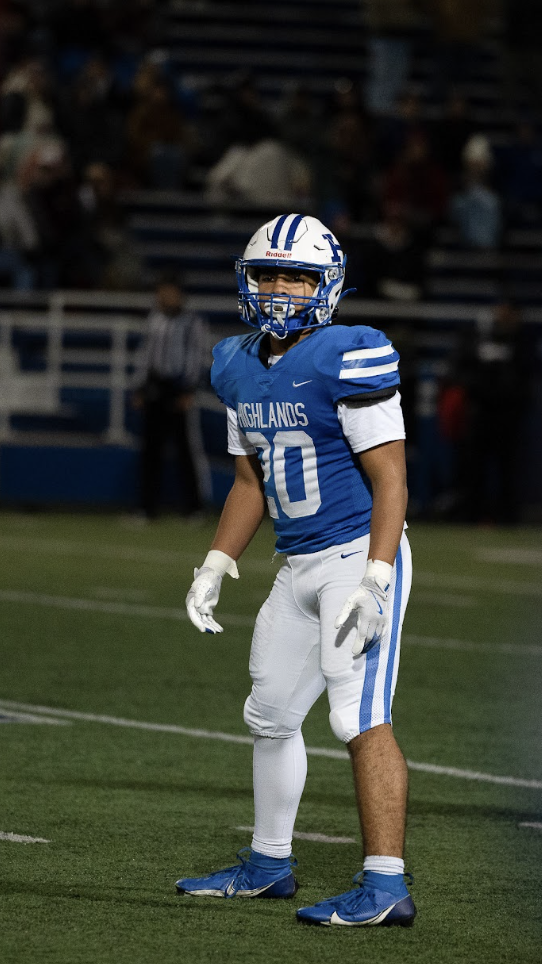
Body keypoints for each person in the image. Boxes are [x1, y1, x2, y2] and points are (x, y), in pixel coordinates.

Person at [176, 213, 415, 927]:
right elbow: (250, 481)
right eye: (269, 274)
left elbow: (393, 481)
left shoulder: (352, 353)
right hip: (297, 561)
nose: (281, 288)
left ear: (327, 284)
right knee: (271, 714)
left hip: (355, 557)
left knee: (357, 716)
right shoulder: (234, 362)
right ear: (247, 281)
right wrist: (216, 563)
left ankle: (386, 884)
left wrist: (376, 579)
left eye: (298, 275)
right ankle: (269, 864)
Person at [132, 272, 210, 520]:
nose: (164, 296)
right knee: (150, 451)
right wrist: (140, 387)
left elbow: (197, 358)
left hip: (178, 389)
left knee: (186, 450)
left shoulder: (192, 323)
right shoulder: (154, 319)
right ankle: (147, 508)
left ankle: (194, 508)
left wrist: (188, 390)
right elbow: (145, 355)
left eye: (169, 291)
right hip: (156, 387)